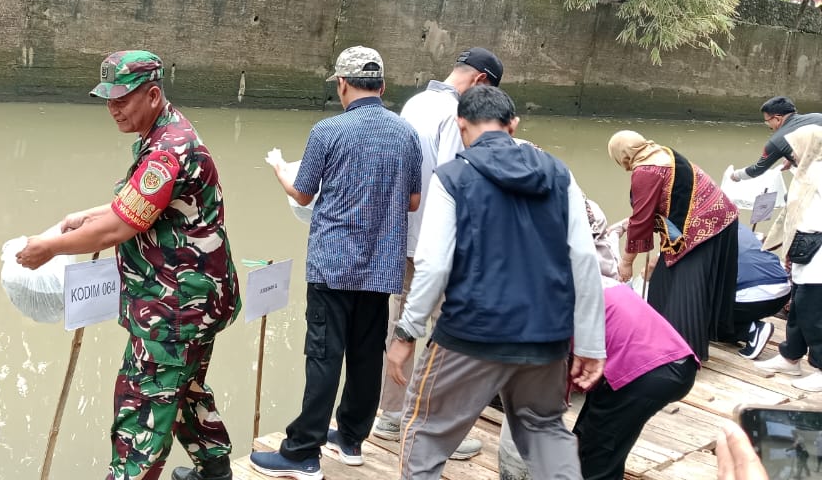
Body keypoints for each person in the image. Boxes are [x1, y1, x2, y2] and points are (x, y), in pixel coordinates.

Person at [15, 50, 241, 480]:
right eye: (108, 100)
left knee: (142, 408)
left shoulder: (166, 152)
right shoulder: (165, 134)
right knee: (185, 390)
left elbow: (118, 228)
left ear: (153, 95)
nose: (113, 109)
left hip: (175, 308)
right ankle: (215, 472)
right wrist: (87, 215)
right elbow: (138, 204)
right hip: (197, 301)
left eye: (122, 99)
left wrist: (50, 248)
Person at [388, 85, 606, 480]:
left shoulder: (453, 177)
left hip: (471, 335)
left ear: (461, 125)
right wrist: (591, 344)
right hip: (546, 338)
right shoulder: (560, 175)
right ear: (513, 125)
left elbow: (433, 266)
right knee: (545, 430)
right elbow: (584, 258)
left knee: (426, 433)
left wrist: (406, 332)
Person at [250, 47, 422, 480]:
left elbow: (303, 193)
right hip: (381, 267)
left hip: (333, 266)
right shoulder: (406, 134)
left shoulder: (328, 131)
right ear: (382, 85)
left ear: (342, 84)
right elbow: (413, 200)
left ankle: (302, 452)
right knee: (366, 355)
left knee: (324, 356)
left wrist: (279, 171)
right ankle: (350, 439)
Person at [374, 47, 503, 454]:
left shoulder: (416, 103)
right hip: (441, 240)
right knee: (449, 332)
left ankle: (391, 415)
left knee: (401, 322)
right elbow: (456, 179)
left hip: (403, 234)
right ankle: (435, 426)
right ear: (481, 80)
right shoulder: (455, 114)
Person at [610, 130, 740, 362]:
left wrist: (626, 262)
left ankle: (682, 356)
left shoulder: (646, 171)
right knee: (662, 283)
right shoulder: (662, 153)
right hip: (721, 218)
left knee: (683, 289)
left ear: (624, 156)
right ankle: (673, 339)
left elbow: (641, 221)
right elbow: (661, 207)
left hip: (702, 228)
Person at [572, 277, 699, 480]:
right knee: (587, 435)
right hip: (671, 362)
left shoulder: (557, 300)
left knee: (599, 456)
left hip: (646, 370)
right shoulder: (591, 278)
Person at [753, 126, 822, 392]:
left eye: (794, 147)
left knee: (812, 310)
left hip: (818, 249)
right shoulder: (807, 169)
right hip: (805, 245)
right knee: (798, 305)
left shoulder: (818, 172)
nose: (791, 153)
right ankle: (790, 356)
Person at [725, 223, 790, 360]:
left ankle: (750, 331)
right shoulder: (736, 224)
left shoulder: (704, 234)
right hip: (782, 289)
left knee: (698, 314)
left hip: (754, 294)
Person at [730, 97, 822, 182]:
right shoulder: (818, 116)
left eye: (767, 122)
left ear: (777, 119)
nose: (769, 126)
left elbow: (757, 170)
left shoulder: (776, 142)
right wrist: (792, 159)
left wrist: (736, 175)